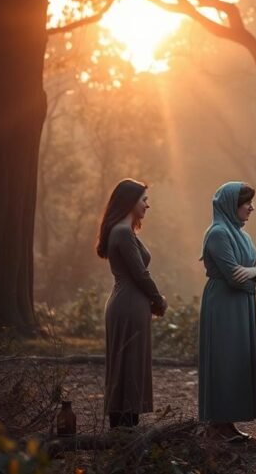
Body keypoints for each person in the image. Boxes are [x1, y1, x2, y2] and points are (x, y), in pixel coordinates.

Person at [198, 182, 256, 442]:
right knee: (224, 359)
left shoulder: (244, 236)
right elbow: (233, 277)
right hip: (223, 305)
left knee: (239, 359)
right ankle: (217, 423)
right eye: (246, 203)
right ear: (232, 205)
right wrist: (255, 275)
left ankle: (227, 423)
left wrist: (253, 271)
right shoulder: (218, 234)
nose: (252, 207)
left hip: (241, 304)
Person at [96, 178, 167, 429]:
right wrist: (158, 300)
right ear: (130, 201)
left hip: (130, 303)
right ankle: (123, 426)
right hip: (128, 305)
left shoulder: (125, 231)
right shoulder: (122, 232)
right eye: (144, 200)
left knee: (130, 363)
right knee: (128, 364)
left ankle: (126, 425)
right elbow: (140, 274)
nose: (148, 205)